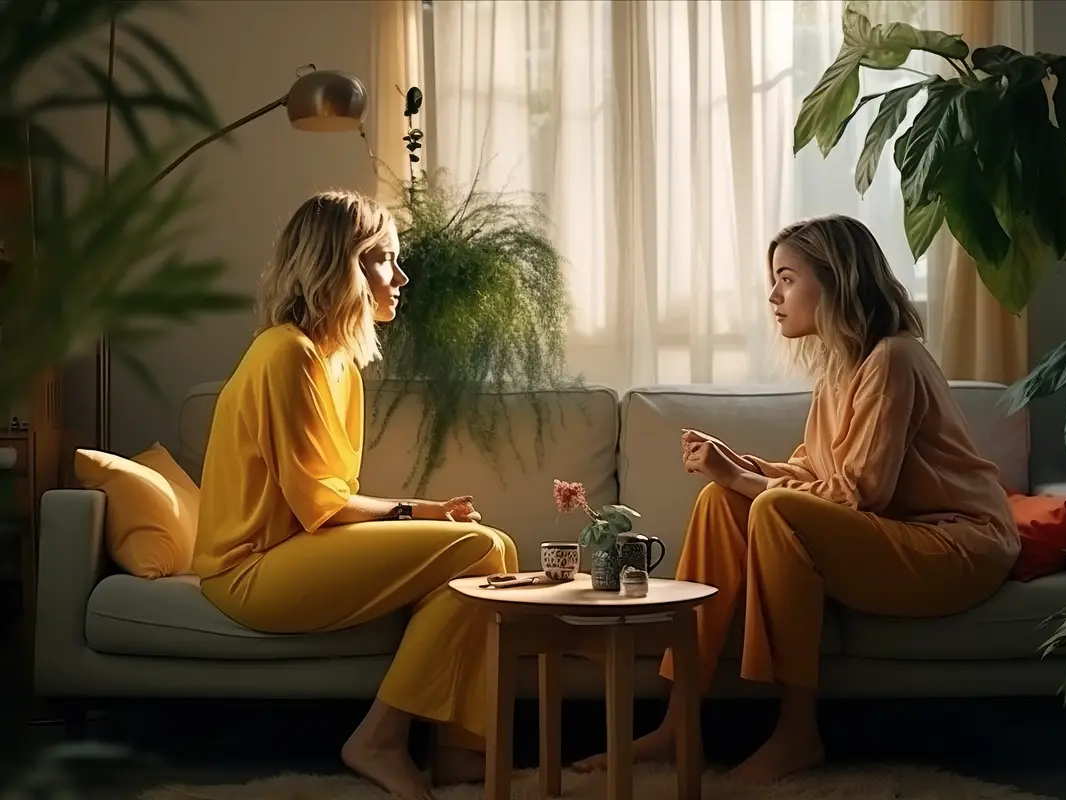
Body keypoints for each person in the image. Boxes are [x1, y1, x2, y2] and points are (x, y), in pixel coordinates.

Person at [574, 214, 1020, 783]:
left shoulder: (894, 359)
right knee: (720, 500)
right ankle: (675, 724)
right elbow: (812, 473)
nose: (773, 296)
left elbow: (861, 492)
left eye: (787, 278)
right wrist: (734, 467)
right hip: (893, 535)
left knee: (768, 505)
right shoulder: (840, 370)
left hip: (957, 546)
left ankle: (796, 733)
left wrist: (748, 482)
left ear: (836, 282)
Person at [194, 190, 519, 800]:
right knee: (478, 547)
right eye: (384, 260)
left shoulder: (337, 360)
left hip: (294, 552)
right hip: (249, 571)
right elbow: (320, 505)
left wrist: (422, 516)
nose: (400, 277)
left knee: (491, 549)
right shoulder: (286, 354)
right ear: (341, 265)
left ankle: (456, 753)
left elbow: (328, 500)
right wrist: (420, 510)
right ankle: (381, 740)